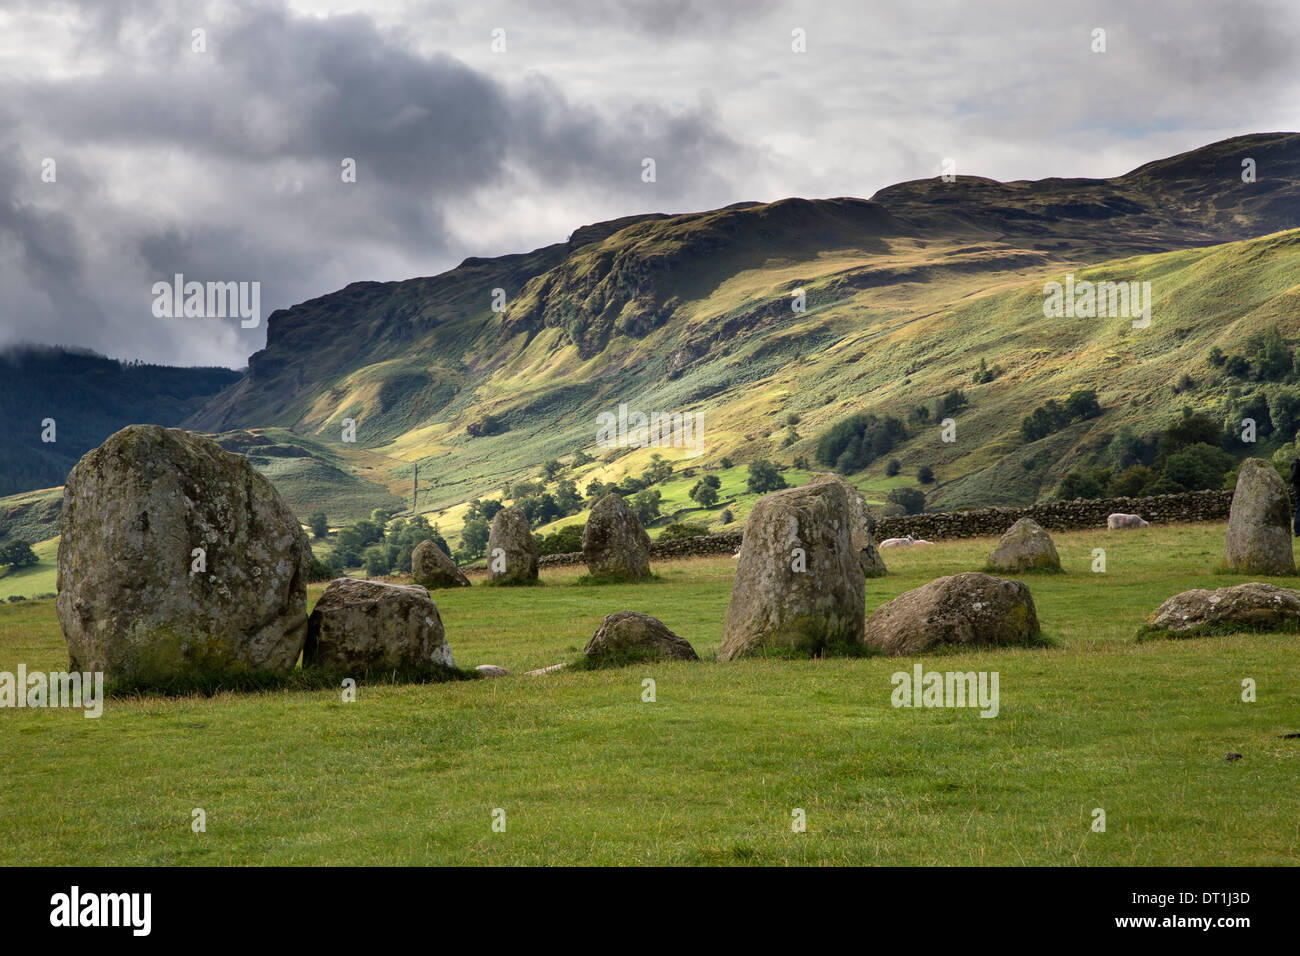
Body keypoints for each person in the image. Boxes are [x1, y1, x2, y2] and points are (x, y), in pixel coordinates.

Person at [1290, 456, 1300, 536]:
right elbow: (1294, 477)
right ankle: (1297, 530)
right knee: (1299, 510)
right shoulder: (1296, 464)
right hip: (1299, 490)